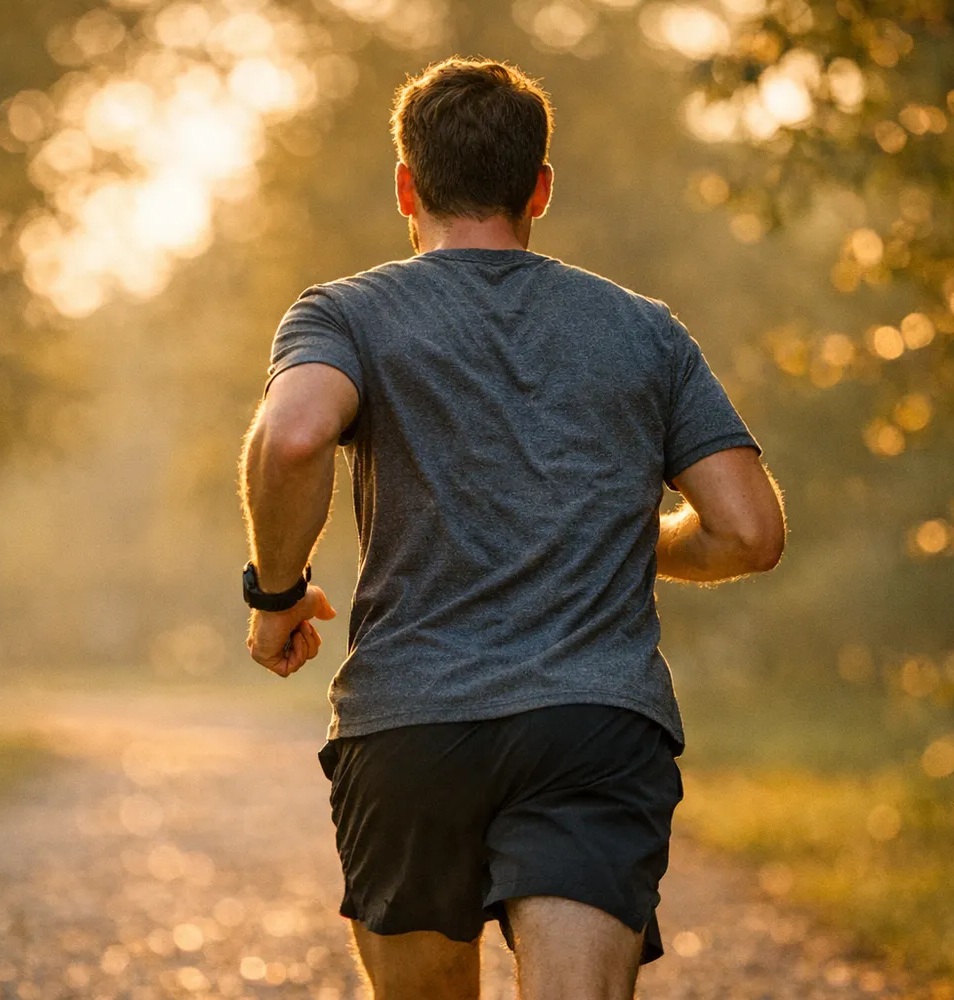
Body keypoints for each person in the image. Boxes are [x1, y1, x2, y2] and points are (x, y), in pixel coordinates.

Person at [237, 56, 785, 1000]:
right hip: (592, 722)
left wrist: (277, 597)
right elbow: (747, 531)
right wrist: (617, 537)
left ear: (407, 185)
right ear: (540, 187)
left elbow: (291, 439)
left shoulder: (346, 314)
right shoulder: (644, 330)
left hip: (411, 727)